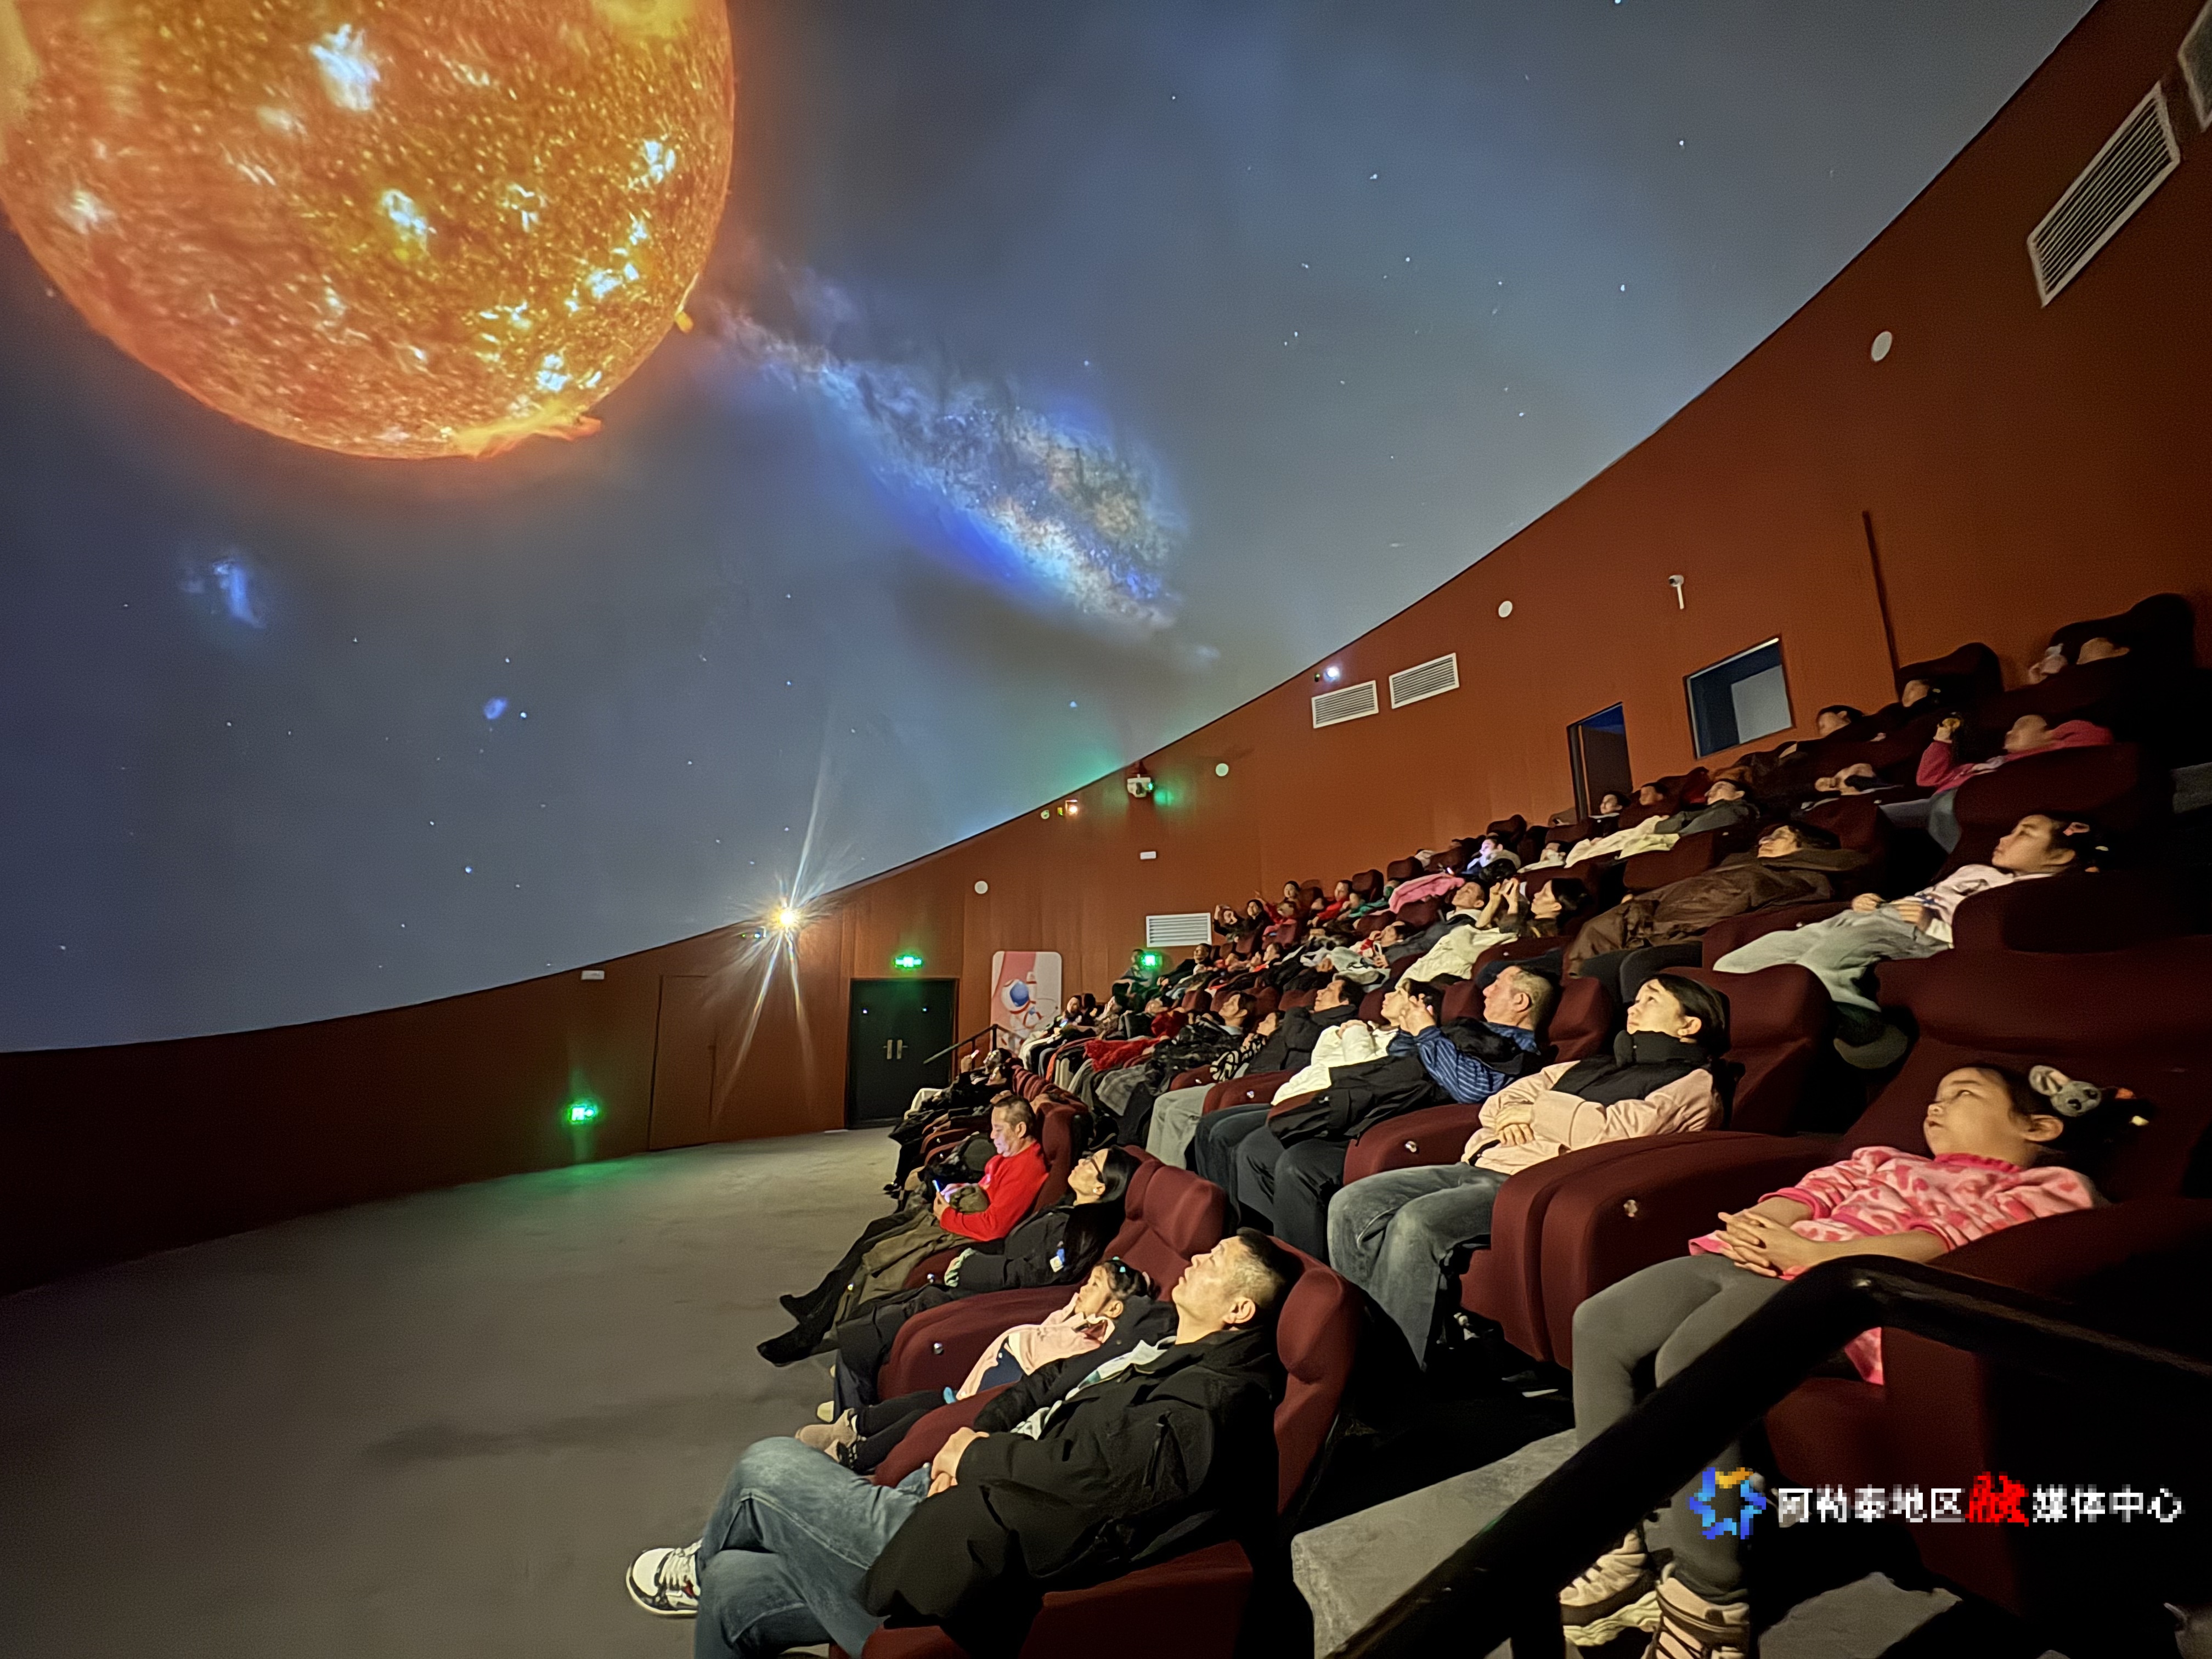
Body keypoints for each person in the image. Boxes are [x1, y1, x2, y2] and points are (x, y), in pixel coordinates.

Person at [1559, 1064, 2130, 1655]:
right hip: (1758, 1260)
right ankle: (1607, 1541)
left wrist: (1807, 1253)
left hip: (1836, 1298)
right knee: (1599, 1322)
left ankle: (1711, 1592)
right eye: (1936, 1095)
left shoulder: (2049, 1186)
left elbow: (1951, 1244)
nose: (1936, 1106)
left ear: (2039, 1125)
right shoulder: (1886, 1160)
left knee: (1695, 1360)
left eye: (1963, 1094)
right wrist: (1763, 1227)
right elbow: (1813, 1194)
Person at [627, 1231, 1299, 1659]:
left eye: (1215, 1262)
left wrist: (972, 1459)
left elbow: (1093, 1484)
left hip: (983, 1544)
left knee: (767, 1467)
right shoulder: (1159, 1341)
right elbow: (1047, 1384)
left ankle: (697, 1563)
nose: (1197, 1258)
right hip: (964, 1493)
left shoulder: (1212, 1402)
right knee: (733, 1590)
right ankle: (711, 1571)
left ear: (1239, 1311)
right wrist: (974, 1432)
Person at [1329, 974, 1731, 1365]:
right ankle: (1357, 1348)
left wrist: (1536, 1111)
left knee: (1418, 1221)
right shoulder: (1595, 1064)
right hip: (1483, 1161)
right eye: (1636, 998)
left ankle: (1398, 1372)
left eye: (1651, 1000)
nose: (1633, 1008)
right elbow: (1502, 1101)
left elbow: (1618, 1132)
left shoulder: (1693, 1083)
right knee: (1351, 1202)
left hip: (1533, 1185)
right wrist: (1519, 1115)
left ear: (1690, 1025)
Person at [1713, 814, 2099, 1065]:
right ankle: (1740, 1033)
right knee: (1734, 965)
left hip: (1923, 933)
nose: (2005, 837)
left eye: (2024, 834)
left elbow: (1983, 934)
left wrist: (1931, 925)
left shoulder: (2033, 895)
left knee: (1824, 961)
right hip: (1879, 916)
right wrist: (1872, 904)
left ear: (2062, 856)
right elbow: (1925, 896)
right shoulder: (1975, 869)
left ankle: (1870, 1036)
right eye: (2012, 828)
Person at [1232, 969, 1553, 1258]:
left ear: (1521, 1001)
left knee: (1299, 1163)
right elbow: (1400, 1060)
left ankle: (1308, 1277)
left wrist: (1427, 1032)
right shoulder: (1469, 1027)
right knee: (1257, 1148)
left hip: (1407, 1127)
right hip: (1377, 1109)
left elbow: (1470, 1091)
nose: (1486, 990)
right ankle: (1267, 1254)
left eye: (1498, 985)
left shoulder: (1518, 1050)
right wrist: (1410, 1030)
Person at [825, 1146, 1141, 1415]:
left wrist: (967, 1265)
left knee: (862, 1334)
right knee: (872, 1312)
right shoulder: (1068, 1210)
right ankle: (855, 1399)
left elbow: (1029, 1275)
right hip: (977, 1284)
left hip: (988, 1300)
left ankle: (852, 1420)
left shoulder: (1080, 1233)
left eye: (1091, 1163)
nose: (1081, 1160)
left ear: (1100, 1188)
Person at [759, 1098, 1049, 1364]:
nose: (991, 1136)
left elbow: (994, 1228)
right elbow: (987, 1188)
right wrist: (961, 1188)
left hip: (960, 1231)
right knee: (876, 1230)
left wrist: (947, 1214)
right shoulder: (1007, 1156)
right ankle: (817, 1301)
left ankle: (809, 1336)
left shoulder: (1027, 1168)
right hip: (950, 1216)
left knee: (874, 1255)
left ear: (1020, 1129)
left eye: (998, 1129)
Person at [803, 1257, 1156, 1475]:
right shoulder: (1069, 1317)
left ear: (1114, 1310)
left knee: (921, 1420)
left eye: (1094, 1286)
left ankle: (854, 1456)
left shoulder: (1086, 1344)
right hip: (969, 1390)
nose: (1083, 1289)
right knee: (921, 1401)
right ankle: (852, 1425)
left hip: (986, 1404)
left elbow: (1044, 1384)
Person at [1564, 821, 1865, 1001]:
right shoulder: (1740, 865)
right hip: (1672, 930)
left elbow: (1742, 909)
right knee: (1592, 966)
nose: (1766, 840)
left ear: (1808, 847)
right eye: (1768, 836)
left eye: (1781, 836)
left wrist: (1650, 928)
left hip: (1712, 939)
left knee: (1636, 963)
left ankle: (1646, 1043)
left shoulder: (1804, 877)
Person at [1146, 978, 1363, 1167]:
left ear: (1344, 1002)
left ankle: (1170, 1179)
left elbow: (1300, 1040)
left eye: (1329, 990)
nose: (1320, 992)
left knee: (1178, 1111)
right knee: (1164, 1102)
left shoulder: (1338, 1023)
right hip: (1249, 1076)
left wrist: (1297, 1011)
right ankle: (1152, 1172)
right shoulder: (1310, 1018)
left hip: (1266, 1084)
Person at [1917, 713, 2112, 850]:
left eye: (2021, 727)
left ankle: (1964, 869)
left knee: (1943, 808)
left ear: (2046, 733)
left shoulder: (2041, 756)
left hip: (1963, 801)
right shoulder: (1991, 762)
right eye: (2011, 728)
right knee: (1897, 815)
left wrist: (2051, 737)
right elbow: (1927, 779)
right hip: (1937, 800)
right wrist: (1941, 742)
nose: (2010, 733)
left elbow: (2098, 737)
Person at [1645, 777, 1759, 838]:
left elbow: (1692, 832)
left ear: (1739, 794)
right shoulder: (1698, 811)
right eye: (1709, 790)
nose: (1709, 793)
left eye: (1720, 787)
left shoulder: (1739, 810)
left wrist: (1676, 834)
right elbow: (1660, 828)